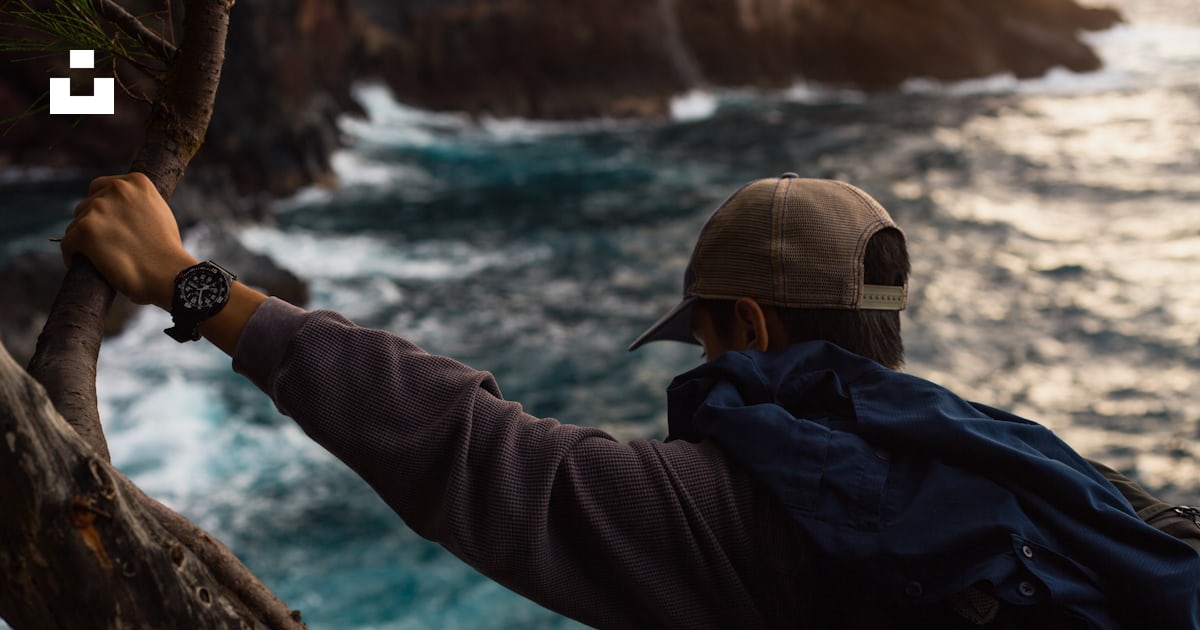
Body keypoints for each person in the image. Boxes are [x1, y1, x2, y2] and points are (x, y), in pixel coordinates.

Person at [63, 172, 1200, 629]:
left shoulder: (746, 505)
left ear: (746, 330)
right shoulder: (1007, 456)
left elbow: (457, 441)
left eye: (701, 337)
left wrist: (182, 283)